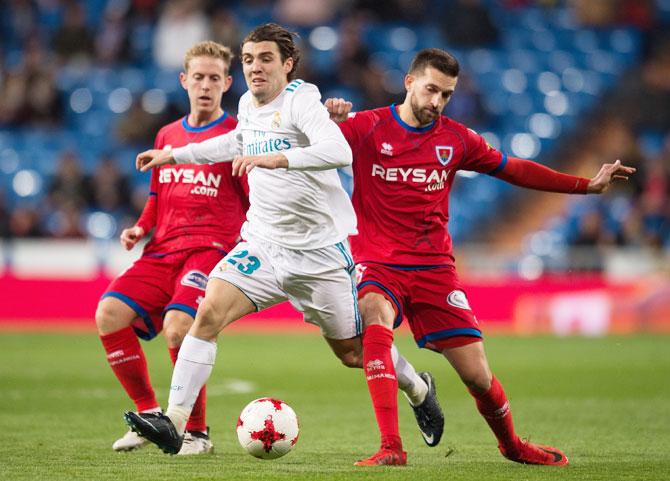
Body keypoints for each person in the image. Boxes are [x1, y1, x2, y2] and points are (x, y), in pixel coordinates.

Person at [123, 23, 443, 460]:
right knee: (207, 314)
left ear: (287, 65)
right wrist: (176, 154)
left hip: (319, 255)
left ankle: (419, 387)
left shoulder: (302, 101)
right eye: (249, 59)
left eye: (266, 59)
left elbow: (339, 152)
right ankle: (176, 423)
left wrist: (278, 159)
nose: (255, 67)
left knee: (353, 353)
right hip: (263, 245)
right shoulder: (246, 104)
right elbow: (237, 140)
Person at [325, 47, 635, 466]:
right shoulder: (366, 127)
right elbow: (309, 145)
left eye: (446, 95)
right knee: (375, 318)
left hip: (434, 269)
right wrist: (327, 119)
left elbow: (515, 169)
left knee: (477, 375)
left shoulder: (455, 139)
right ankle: (391, 447)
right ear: (410, 82)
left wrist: (585, 186)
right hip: (378, 263)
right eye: (431, 89)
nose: (436, 102)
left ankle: (511, 445)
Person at [95, 41, 248, 455]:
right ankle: (149, 416)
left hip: (209, 250)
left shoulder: (237, 136)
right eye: (198, 77)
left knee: (180, 326)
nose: (205, 85)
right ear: (184, 80)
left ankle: (196, 432)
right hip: (162, 249)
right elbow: (158, 194)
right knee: (109, 315)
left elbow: (254, 197)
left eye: (214, 78)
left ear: (227, 83)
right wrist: (140, 227)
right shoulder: (168, 134)